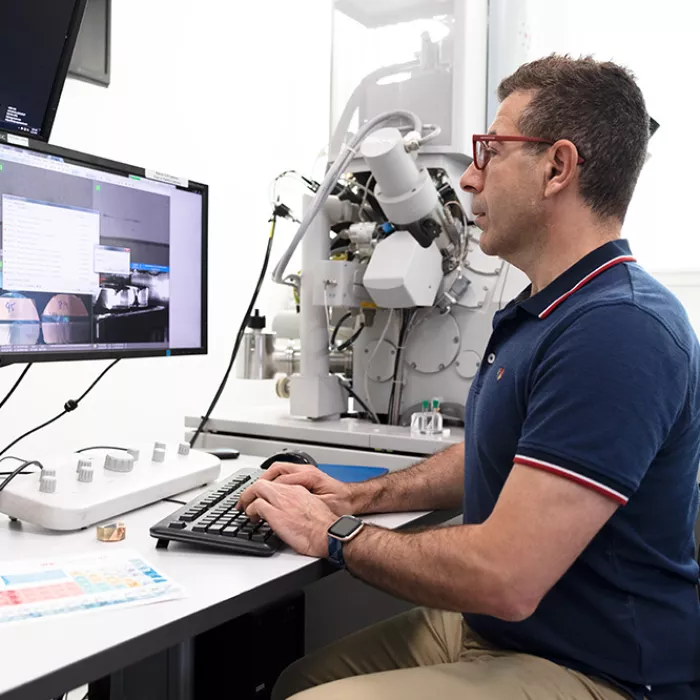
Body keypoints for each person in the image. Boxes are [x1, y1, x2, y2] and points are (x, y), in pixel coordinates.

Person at [237, 55, 700, 700]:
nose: (471, 181)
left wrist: (331, 534)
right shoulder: (547, 310)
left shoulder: (619, 328)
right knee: (299, 678)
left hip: (601, 671)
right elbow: (498, 452)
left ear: (557, 168)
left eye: (490, 152)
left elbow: (504, 577)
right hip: (511, 632)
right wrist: (354, 497)